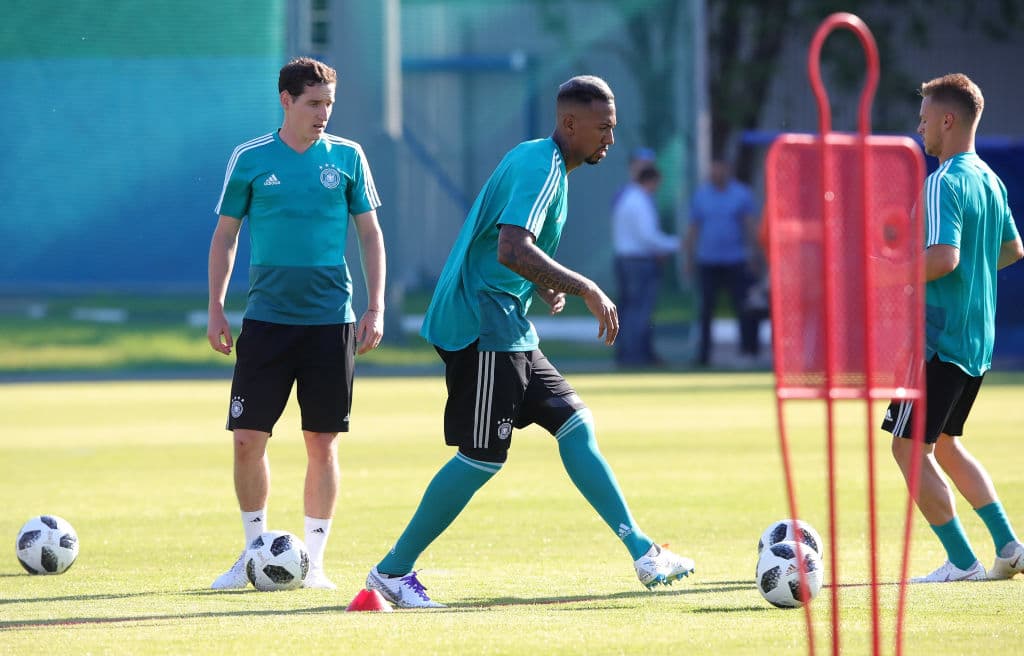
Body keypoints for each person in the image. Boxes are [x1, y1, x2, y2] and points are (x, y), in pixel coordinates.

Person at [364, 75, 694, 608]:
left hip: (507, 321)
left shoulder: (541, 161)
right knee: (482, 458)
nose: (611, 138)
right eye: (603, 127)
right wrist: (584, 286)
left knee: (576, 424)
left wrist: (541, 282)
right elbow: (511, 248)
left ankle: (642, 551)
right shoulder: (542, 167)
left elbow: (507, 244)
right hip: (483, 326)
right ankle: (392, 572)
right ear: (570, 124)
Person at [206, 57, 386, 590]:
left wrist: (375, 306)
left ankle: (317, 563)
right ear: (286, 100)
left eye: (329, 103)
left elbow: (370, 236)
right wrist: (216, 305)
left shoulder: (349, 157)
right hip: (266, 321)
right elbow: (225, 236)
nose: (323, 113)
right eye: (313, 103)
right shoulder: (251, 158)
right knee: (246, 439)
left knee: (321, 442)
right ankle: (252, 552)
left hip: (331, 322)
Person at [882, 73, 1023, 583]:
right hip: (976, 340)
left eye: (924, 119)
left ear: (948, 120)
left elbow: (943, 258)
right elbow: (1012, 250)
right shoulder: (990, 179)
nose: (920, 129)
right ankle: (1009, 545)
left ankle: (961, 562)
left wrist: (888, 272)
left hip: (936, 341)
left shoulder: (943, 180)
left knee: (906, 448)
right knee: (944, 444)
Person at [684, 159, 762, 367]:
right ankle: (704, 356)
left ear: (727, 170)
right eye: (713, 169)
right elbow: (693, 229)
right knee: (706, 310)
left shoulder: (741, 194)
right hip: (708, 261)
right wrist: (689, 259)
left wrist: (754, 256)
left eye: (719, 169)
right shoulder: (701, 195)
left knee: (744, 307)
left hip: (735, 260)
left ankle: (748, 351)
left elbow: (750, 226)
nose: (716, 173)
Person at [611, 163, 678, 366]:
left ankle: (626, 353)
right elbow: (648, 237)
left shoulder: (626, 197)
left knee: (628, 309)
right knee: (639, 310)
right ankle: (635, 355)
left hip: (625, 259)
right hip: (638, 262)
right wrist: (676, 244)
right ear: (651, 181)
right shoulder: (639, 201)